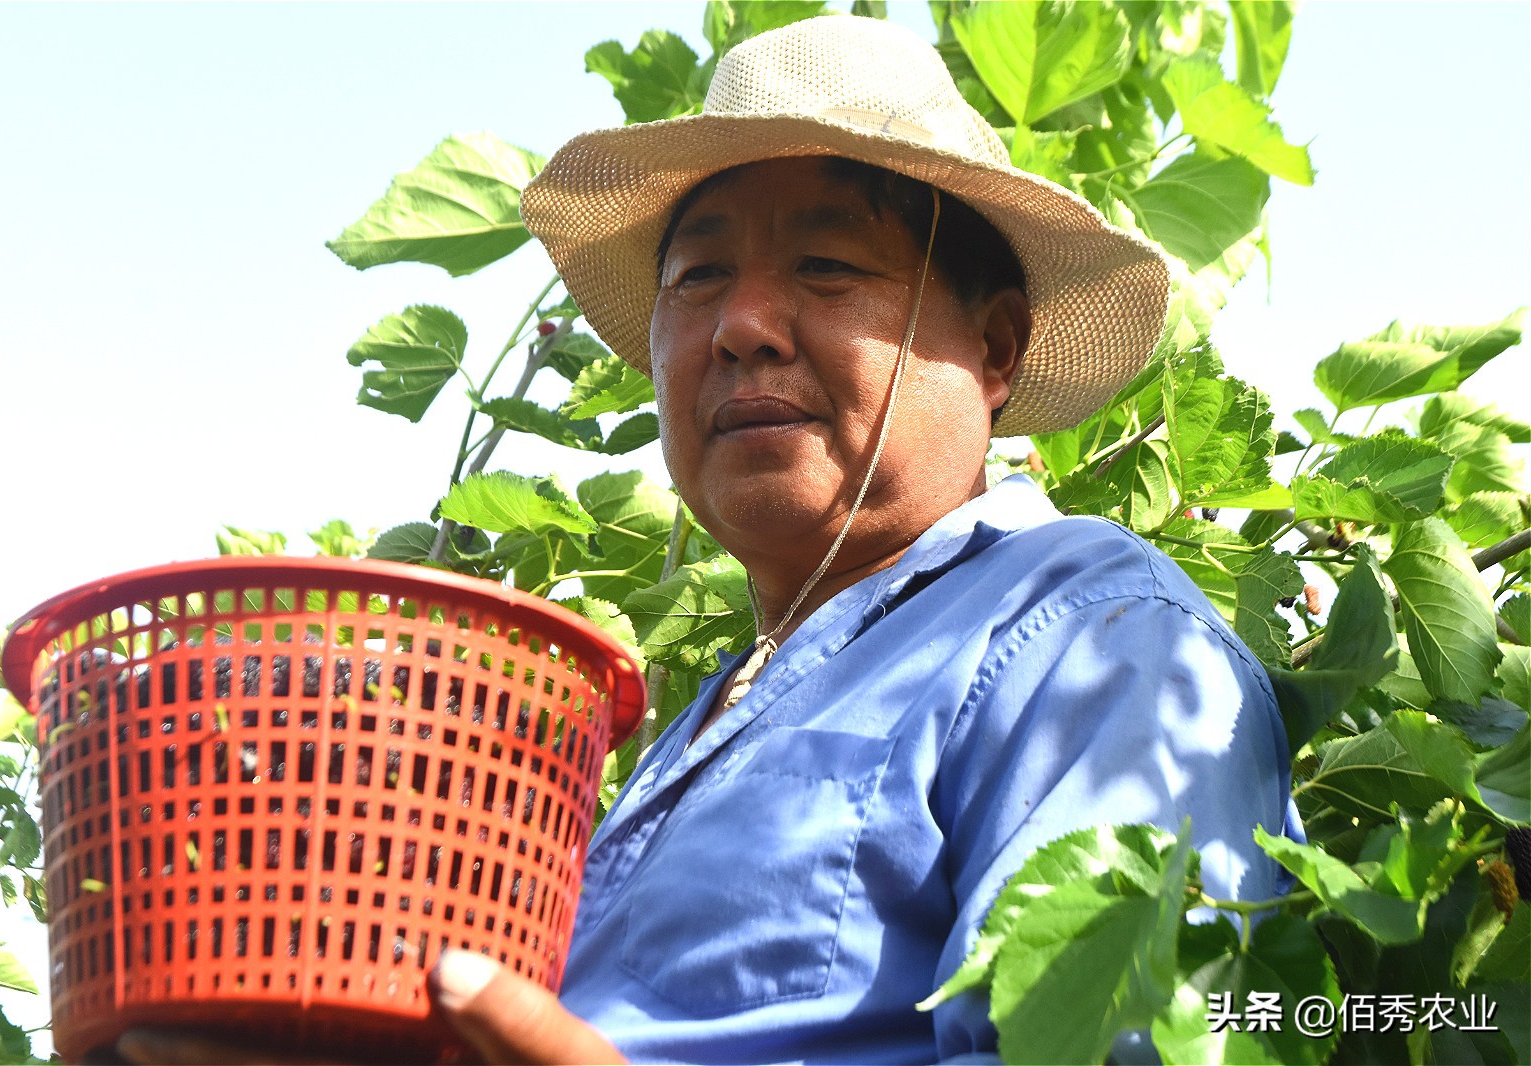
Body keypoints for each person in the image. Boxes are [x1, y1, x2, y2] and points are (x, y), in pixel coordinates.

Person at [119, 14, 1296, 1066]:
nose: (738, 325)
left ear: (990, 350)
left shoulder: (1096, 639)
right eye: (697, 279)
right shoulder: (705, 724)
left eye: (827, 268)